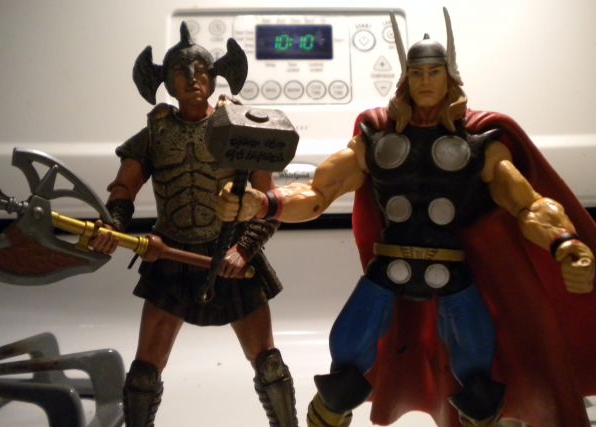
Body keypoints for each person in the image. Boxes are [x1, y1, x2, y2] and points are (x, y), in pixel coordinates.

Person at [216, 8, 596, 427]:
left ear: (449, 78)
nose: (425, 81)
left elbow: (528, 204)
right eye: (417, 74)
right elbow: (318, 193)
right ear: (406, 79)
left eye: (434, 73)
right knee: (345, 369)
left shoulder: (480, 145)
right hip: (388, 270)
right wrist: (263, 203)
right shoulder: (376, 140)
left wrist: (565, 243)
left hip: (452, 273)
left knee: (478, 378)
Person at [90, 22, 298, 427]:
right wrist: (112, 225)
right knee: (144, 373)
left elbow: (268, 203)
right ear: (165, 81)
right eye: (180, 72)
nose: (192, 78)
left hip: (233, 252)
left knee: (269, 364)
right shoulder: (155, 134)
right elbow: (124, 189)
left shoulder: (240, 127)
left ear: (216, 74)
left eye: (200, 69)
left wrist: (243, 249)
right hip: (170, 254)